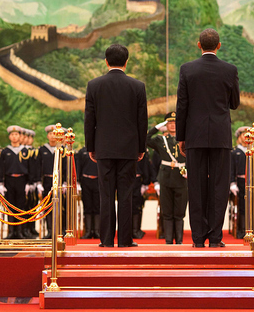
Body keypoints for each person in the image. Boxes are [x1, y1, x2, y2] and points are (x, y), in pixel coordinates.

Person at [176, 28, 240, 248]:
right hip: (221, 136)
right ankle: (215, 238)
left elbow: (182, 106)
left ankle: (197, 239)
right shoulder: (230, 70)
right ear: (219, 45)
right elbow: (234, 103)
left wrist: (181, 137)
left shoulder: (187, 69)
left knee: (196, 187)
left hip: (194, 135)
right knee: (219, 187)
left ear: (198, 44)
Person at [84, 43, 148, 248]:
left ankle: (106, 240)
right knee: (126, 195)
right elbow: (142, 121)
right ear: (126, 62)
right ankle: (125, 240)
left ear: (106, 61)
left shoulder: (94, 85)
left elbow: (89, 120)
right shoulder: (137, 86)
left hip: (103, 148)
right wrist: (141, 148)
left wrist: (91, 147)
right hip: (129, 149)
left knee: (106, 195)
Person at [147, 111, 188, 244]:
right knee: (167, 212)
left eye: (175, 123)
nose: (173, 125)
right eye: (169, 123)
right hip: (165, 178)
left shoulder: (186, 139)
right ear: (165, 125)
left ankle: (180, 242)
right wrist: (156, 128)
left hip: (182, 178)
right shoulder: (160, 140)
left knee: (180, 213)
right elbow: (144, 138)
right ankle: (169, 241)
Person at [76, 144, 99, 239]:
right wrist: (77, 182)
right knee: (87, 206)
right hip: (86, 180)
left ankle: (97, 231)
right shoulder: (82, 152)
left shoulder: (101, 149)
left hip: (98, 180)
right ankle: (88, 231)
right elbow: (78, 167)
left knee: (98, 206)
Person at [229, 126, 249, 239]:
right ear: (239, 137)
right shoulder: (235, 152)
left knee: (251, 206)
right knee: (241, 206)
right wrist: (232, 182)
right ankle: (241, 230)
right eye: (244, 135)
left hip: (251, 182)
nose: (246, 138)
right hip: (239, 181)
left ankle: (250, 229)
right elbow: (231, 168)